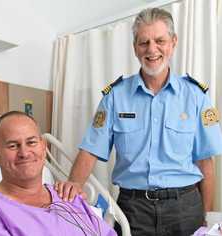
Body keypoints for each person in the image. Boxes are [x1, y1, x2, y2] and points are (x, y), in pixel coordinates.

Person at [55, 7, 222, 236]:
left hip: (185, 207)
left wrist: (205, 217)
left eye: (160, 40)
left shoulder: (196, 96)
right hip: (132, 210)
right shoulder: (115, 96)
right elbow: (90, 150)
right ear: (135, 48)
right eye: (144, 42)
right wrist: (73, 186)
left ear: (173, 43)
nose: (152, 49)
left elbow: (206, 163)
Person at [0, 111, 117, 236]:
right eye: (13, 145)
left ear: (44, 148)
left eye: (31, 142)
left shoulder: (68, 198)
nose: (24, 152)